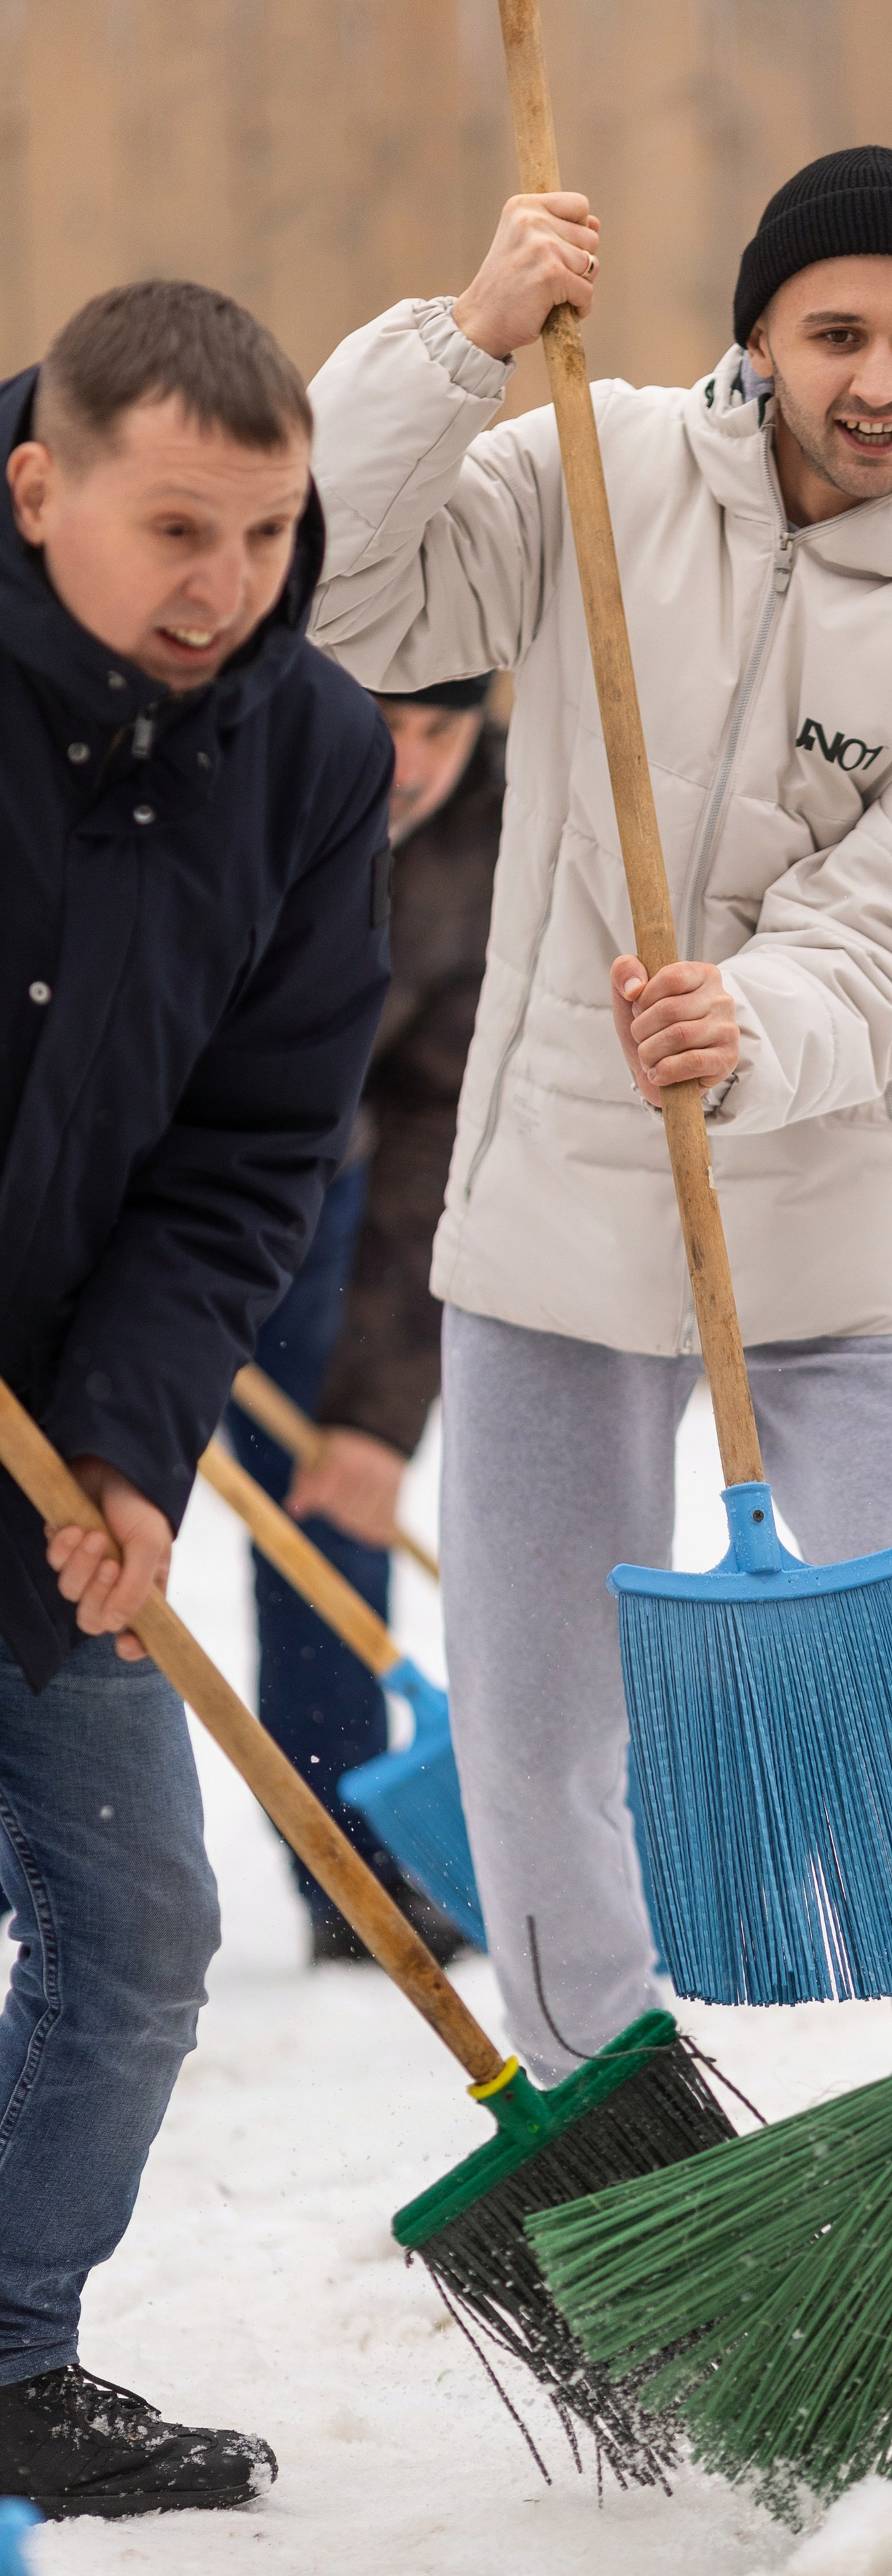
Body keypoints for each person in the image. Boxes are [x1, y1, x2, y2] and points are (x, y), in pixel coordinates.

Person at [306, 146, 892, 2086]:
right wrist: (463, 341)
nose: (881, 376)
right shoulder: (606, 463)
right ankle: (605, 2104)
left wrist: (756, 1017)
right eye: (838, 329)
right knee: (531, 1715)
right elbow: (336, 588)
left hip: (843, 1229)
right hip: (558, 1211)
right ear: (761, 336)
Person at [0, 282, 391, 2512]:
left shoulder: (311, 752)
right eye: (174, 529)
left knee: (142, 1931)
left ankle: (8, 2357)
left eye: (261, 535)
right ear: (40, 486)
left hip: (58, 1419)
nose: (220, 587)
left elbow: (247, 1154)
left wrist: (142, 1448)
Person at [225, 673, 500, 1964]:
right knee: (79, 1530)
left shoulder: (483, 844)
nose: (409, 764)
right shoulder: (227, 782)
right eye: (383, 726)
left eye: (440, 731)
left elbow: (434, 1133)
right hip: (104, 1193)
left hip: (309, 1205)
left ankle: (351, 1860)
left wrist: (380, 1415)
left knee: (330, 1506)